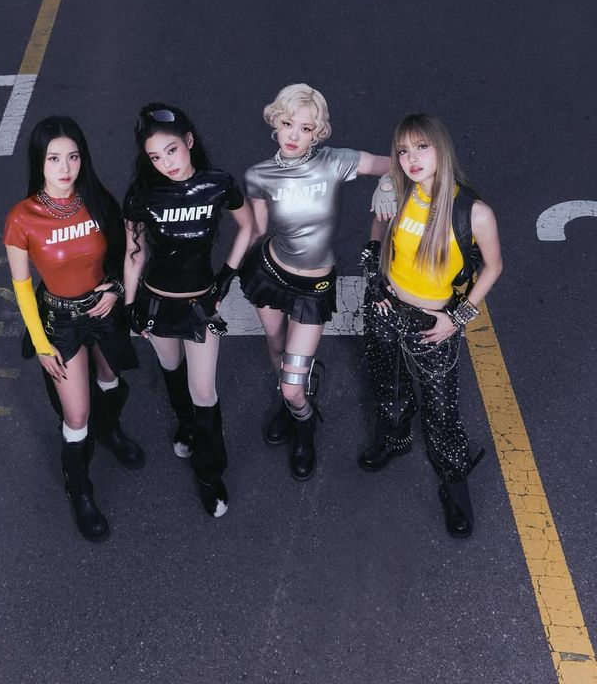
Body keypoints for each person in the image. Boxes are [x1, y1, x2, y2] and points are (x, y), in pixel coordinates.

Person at [357, 113, 503, 539]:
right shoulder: (399, 193)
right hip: (385, 307)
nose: (411, 158)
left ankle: (454, 481)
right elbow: (379, 228)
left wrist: (457, 319)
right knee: (387, 382)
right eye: (403, 150)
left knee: (442, 410)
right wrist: (372, 266)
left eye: (421, 147)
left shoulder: (473, 212)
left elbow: (493, 268)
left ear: (441, 148)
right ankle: (397, 438)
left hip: (431, 324)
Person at [240, 83, 394, 481]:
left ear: (318, 132)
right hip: (270, 275)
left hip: (315, 286)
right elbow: (256, 232)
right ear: (275, 122)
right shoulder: (258, 175)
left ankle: (303, 420)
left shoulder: (335, 162)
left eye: (305, 128)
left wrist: (388, 183)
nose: (294, 135)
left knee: (294, 384)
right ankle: (289, 404)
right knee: (277, 350)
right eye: (288, 123)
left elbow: (398, 163)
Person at [4, 116, 144, 543]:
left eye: (73, 157)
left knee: (111, 380)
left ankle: (111, 430)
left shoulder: (97, 200)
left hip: (103, 313)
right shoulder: (22, 219)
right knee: (76, 413)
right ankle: (80, 489)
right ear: (39, 163)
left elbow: (126, 252)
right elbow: (23, 289)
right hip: (60, 322)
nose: (65, 168)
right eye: (53, 159)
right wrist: (43, 345)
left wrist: (118, 290)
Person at [123, 104, 253, 518]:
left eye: (172, 151)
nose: (166, 164)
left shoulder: (217, 184)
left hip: (201, 304)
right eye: (155, 157)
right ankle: (184, 424)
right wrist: (130, 306)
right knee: (170, 368)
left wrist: (227, 277)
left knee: (204, 390)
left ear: (190, 141)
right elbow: (132, 253)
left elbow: (248, 226)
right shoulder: (144, 192)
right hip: (157, 301)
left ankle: (210, 474)